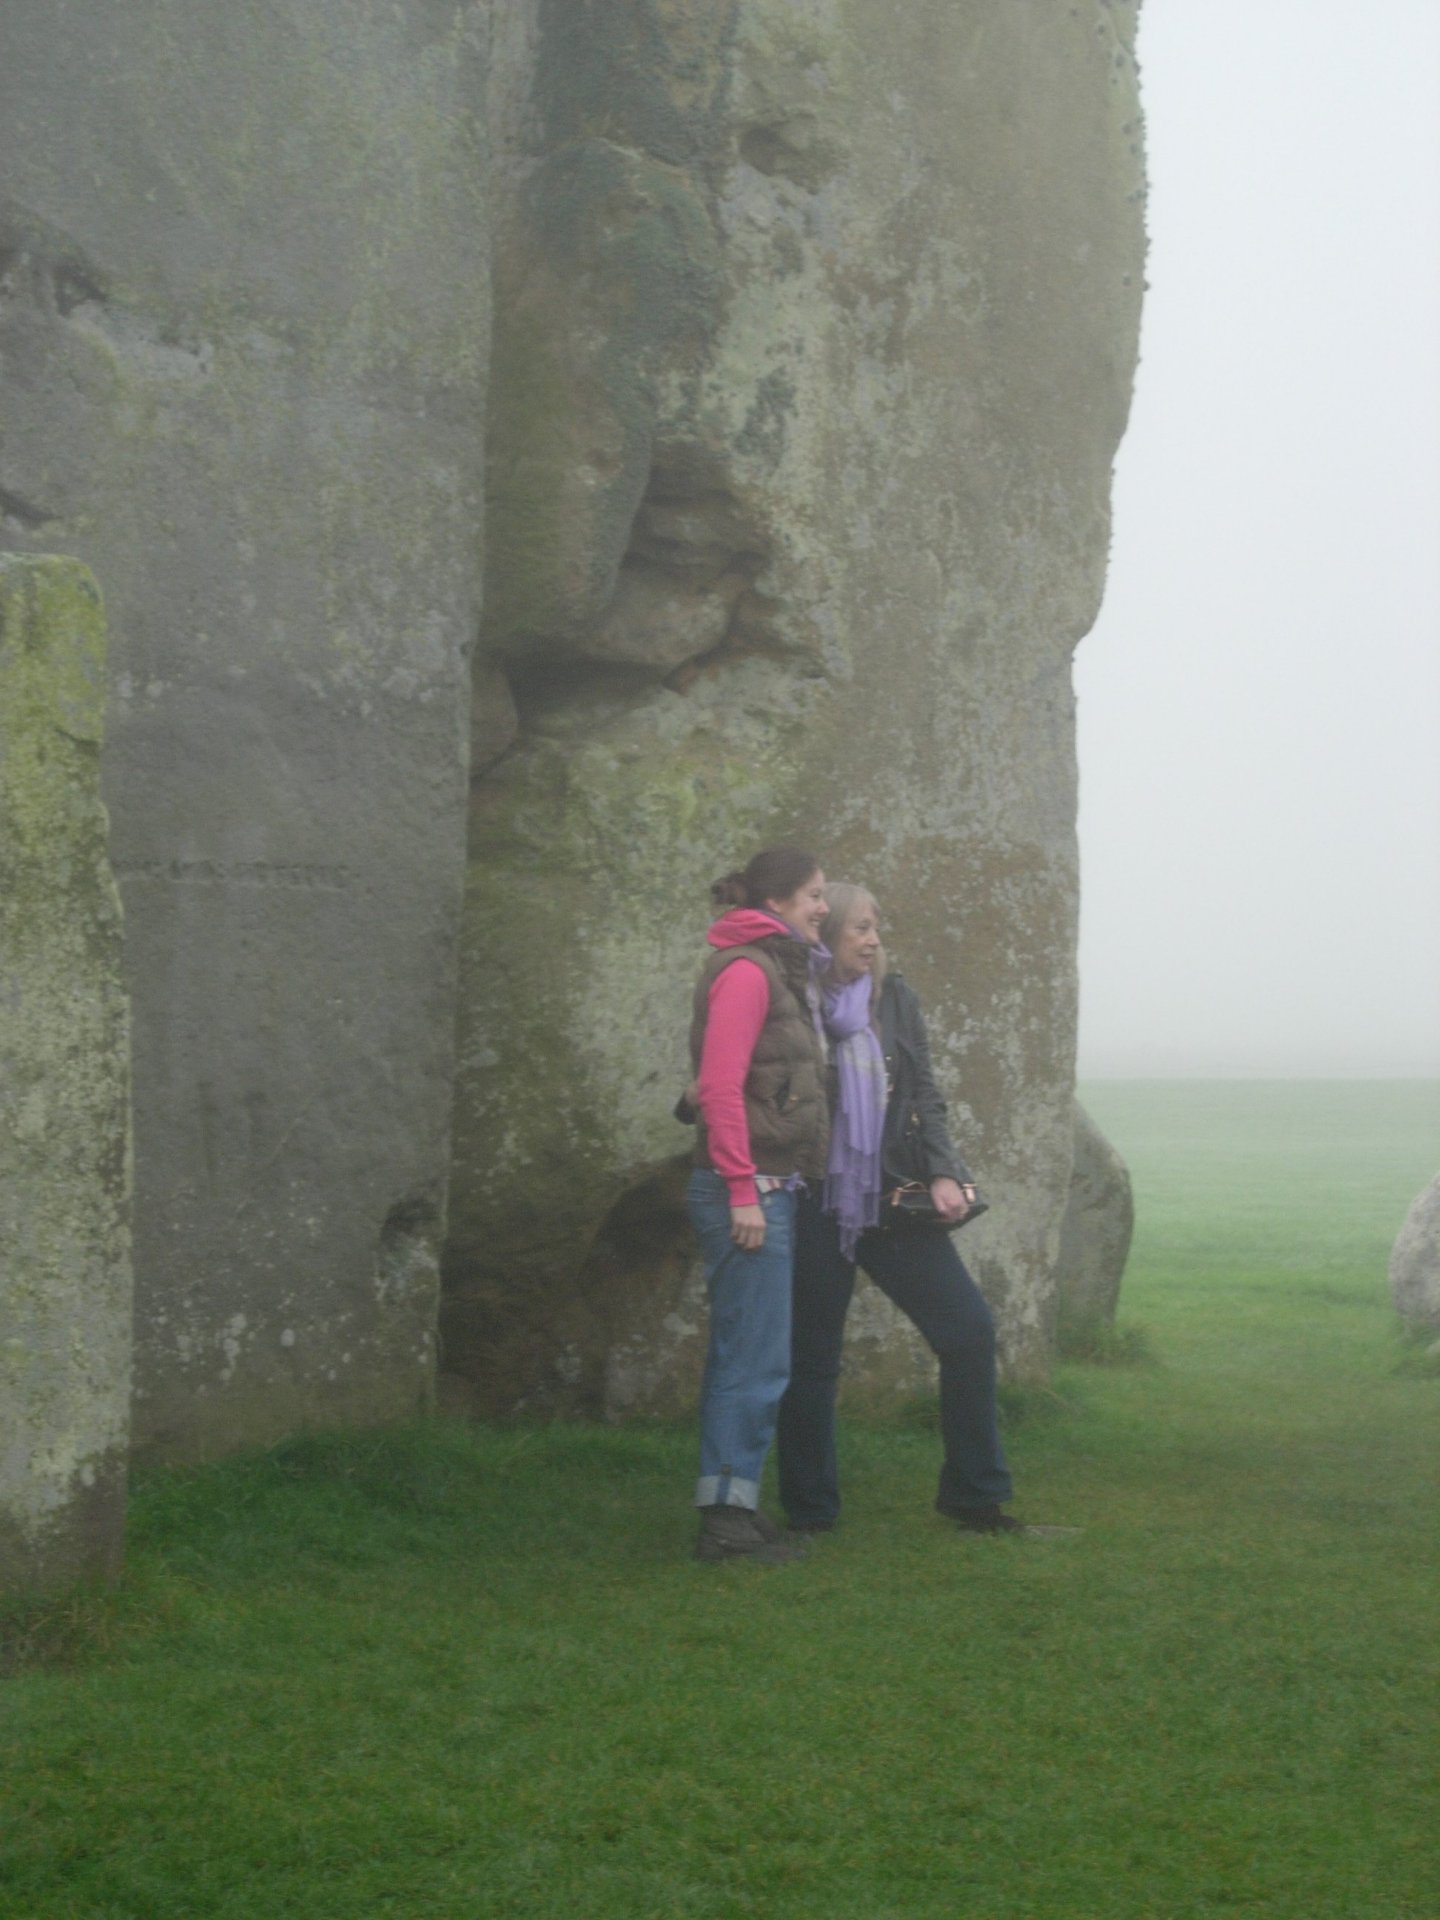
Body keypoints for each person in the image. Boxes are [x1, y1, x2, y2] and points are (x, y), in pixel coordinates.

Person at [776, 883, 1022, 1535]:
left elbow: (925, 1094)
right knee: (811, 1361)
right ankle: (810, 1512)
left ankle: (976, 1497)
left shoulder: (896, 1000)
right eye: (859, 927)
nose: (873, 938)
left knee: (968, 1332)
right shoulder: (792, 1004)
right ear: (827, 936)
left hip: (890, 1202)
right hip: (815, 1205)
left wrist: (945, 1170)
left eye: (876, 926)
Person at [688, 847, 831, 1563]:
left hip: (764, 1189)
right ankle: (726, 1524)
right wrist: (743, 1189)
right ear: (777, 902)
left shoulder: (767, 968)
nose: (824, 906)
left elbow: (727, 1082)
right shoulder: (748, 972)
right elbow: (719, 1088)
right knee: (756, 1363)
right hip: (750, 1194)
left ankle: (732, 1504)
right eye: (814, 893)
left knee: (744, 1358)